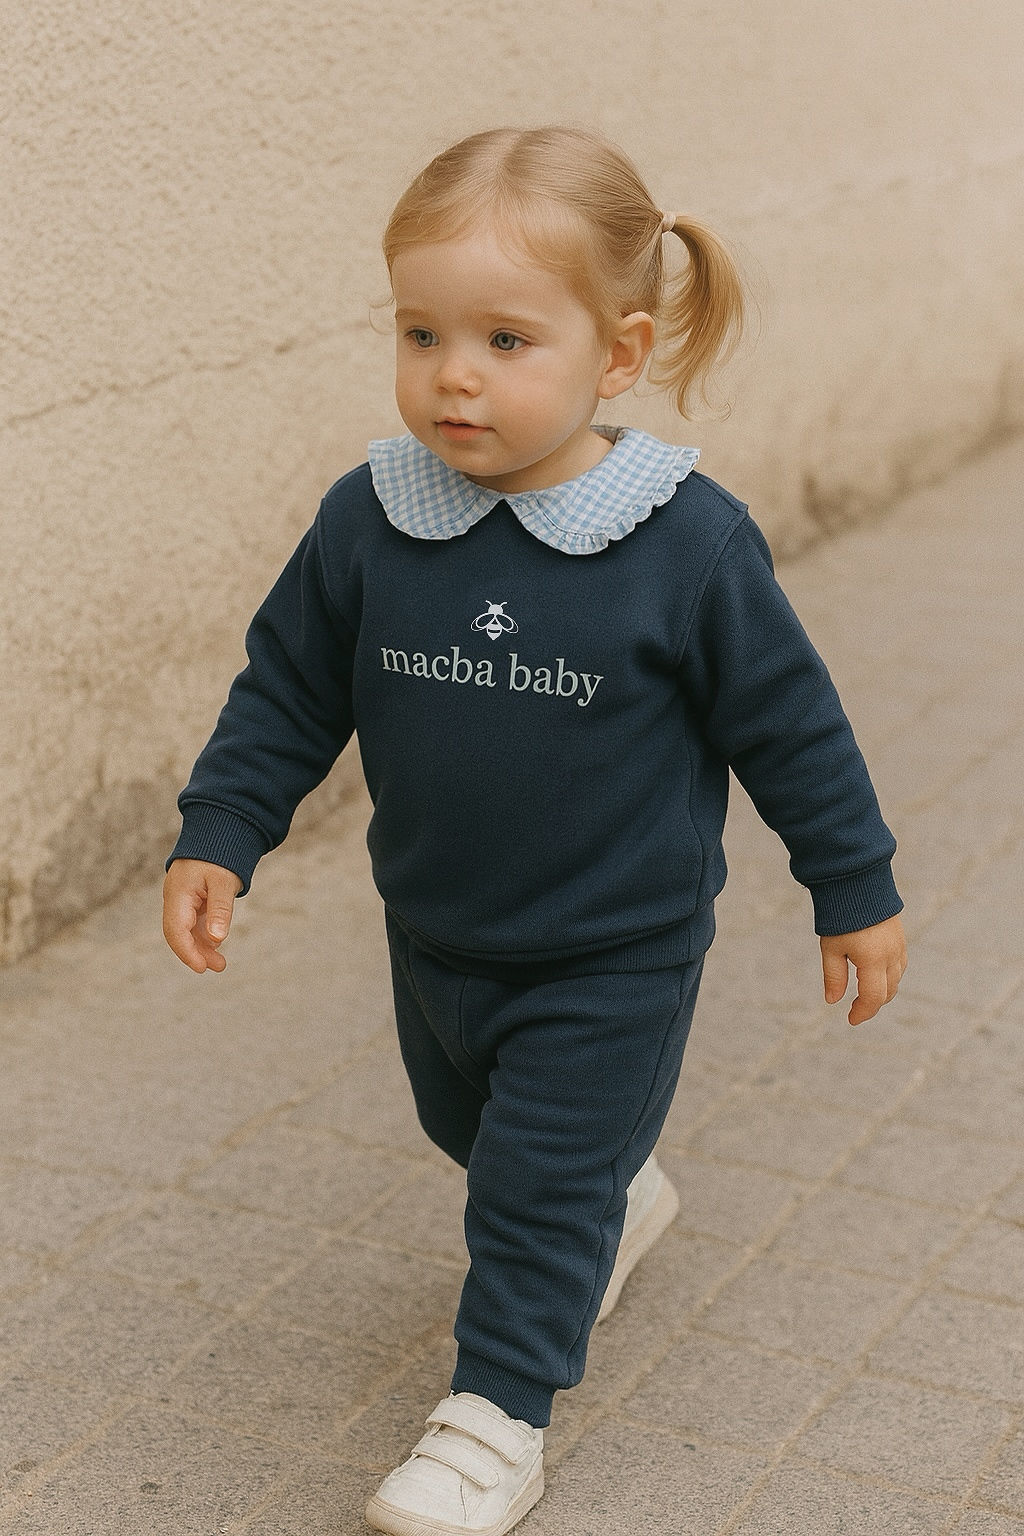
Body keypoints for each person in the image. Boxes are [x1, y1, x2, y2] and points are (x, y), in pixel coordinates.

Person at [162, 125, 908, 1536]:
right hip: (437, 932)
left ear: (618, 355)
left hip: (612, 953)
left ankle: (496, 1416)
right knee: (471, 1131)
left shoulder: (685, 543)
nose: (455, 374)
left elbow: (794, 729)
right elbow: (290, 688)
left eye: (507, 340)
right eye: (423, 333)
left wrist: (853, 887)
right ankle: (610, 1199)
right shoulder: (371, 518)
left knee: (530, 1188)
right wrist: (223, 827)